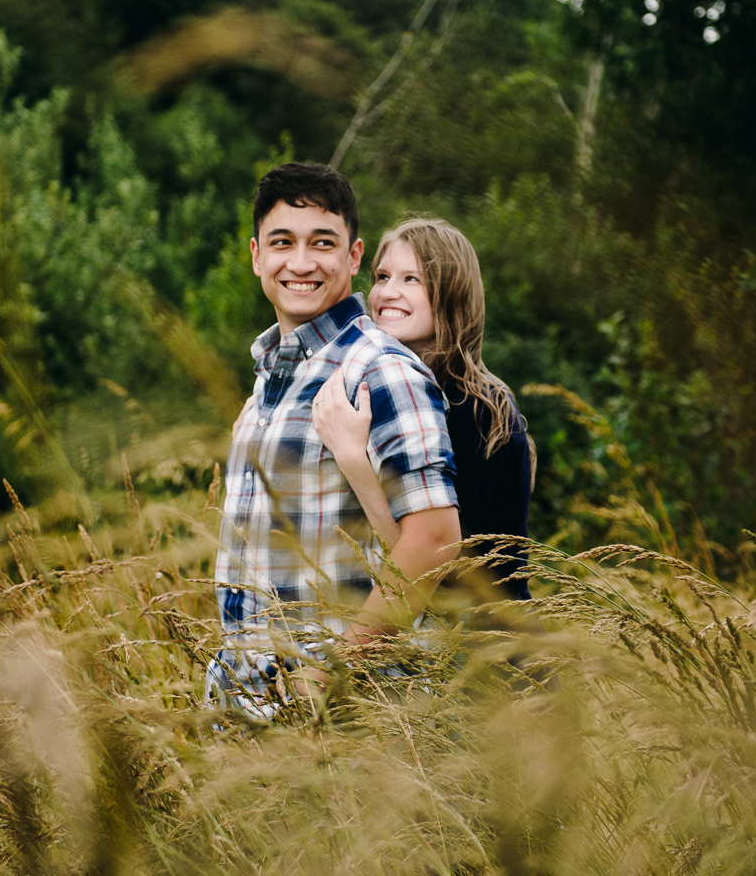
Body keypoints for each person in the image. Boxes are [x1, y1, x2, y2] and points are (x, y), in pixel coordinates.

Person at [209, 163, 462, 716]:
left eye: (322, 243)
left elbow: (436, 541)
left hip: (347, 712)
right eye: (283, 242)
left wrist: (330, 676)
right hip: (248, 702)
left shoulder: (379, 371)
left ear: (353, 257)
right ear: (256, 256)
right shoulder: (268, 385)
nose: (301, 263)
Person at [313, 217, 533, 601]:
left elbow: (436, 565)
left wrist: (353, 461)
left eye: (411, 279)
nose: (387, 293)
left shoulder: (479, 410)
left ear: (453, 293)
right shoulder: (389, 390)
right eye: (382, 277)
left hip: (487, 646)